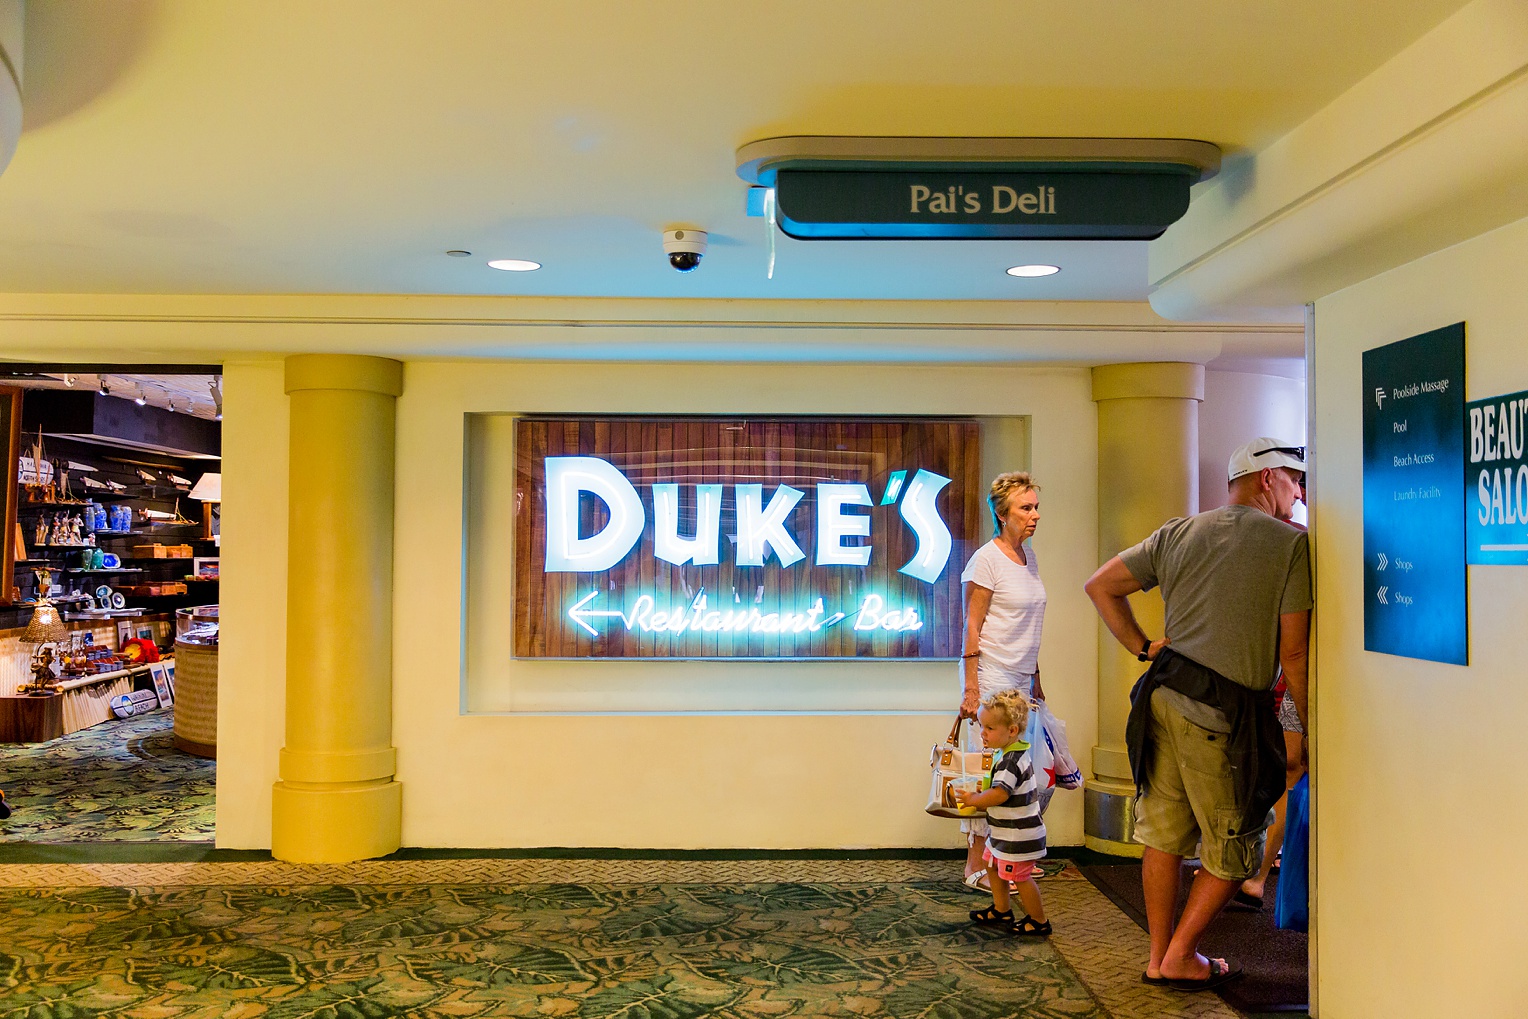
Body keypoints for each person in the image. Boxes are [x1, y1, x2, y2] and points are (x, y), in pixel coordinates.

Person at [1083, 438, 1311, 992]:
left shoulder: (1179, 531)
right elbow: (1295, 652)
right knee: (1238, 846)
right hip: (1221, 715)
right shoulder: (1290, 546)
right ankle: (1183, 952)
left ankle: (1161, 954)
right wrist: (1314, 726)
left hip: (1162, 698)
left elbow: (1101, 586)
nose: (1300, 493)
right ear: (1265, 479)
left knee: (1162, 835)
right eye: (1293, 479)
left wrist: (1142, 646)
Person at [957, 472, 1047, 888]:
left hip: (1022, 680)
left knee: (1029, 770)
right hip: (992, 676)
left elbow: (1030, 626)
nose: (1034, 516)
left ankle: (1010, 856)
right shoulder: (986, 559)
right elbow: (971, 626)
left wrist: (1037, 679)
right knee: (991, 771)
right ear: (1001, 512)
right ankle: (976, 864)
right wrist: (972, 688)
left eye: (1035, 507)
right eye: (1025, 508)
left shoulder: (1029, 559)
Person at [954, 689, 1050, 935]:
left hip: (1018, 836)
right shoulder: (1005, 753)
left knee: (1020, 877)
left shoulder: (1011, 761)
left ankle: (1038, 920)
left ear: (1012, 731)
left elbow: (1000, 794)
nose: (983, 733)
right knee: (992, 865)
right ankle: (1001, 908)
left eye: (989, 728)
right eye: (982, 726)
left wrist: (975, 800)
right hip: (1004, 832)